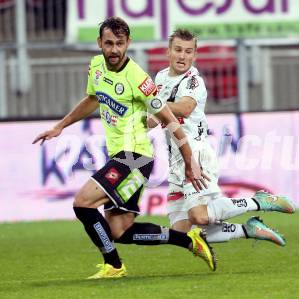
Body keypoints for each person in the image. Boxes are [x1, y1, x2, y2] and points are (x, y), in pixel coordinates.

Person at [32, 17, 216, 279]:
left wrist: (189, 161)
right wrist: (61, 126)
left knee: (83, 203)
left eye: (120, 43)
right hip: (119, 156)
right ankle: (188, 241)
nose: (115, 49)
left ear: (128, 43)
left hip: (135, 158)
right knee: (120, 231)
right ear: (100, 43)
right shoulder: (96, 66)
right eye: (109, 43)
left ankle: (114, 265)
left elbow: (170, 120)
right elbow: (93, 98)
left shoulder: (139, 80)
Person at [148, 29, 295, 245]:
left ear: (195, 55)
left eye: (188, 52)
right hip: (175, 160)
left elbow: (185, 108)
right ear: (168, 51)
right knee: (181, 231)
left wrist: (153, 106)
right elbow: (156, 117)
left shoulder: (193, 81)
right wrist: (136, 122)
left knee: (199, 216)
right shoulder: (160, 78)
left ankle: (258, 201)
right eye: (178, 50)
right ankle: (248, 230)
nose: (182, 56)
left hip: (195, 154)